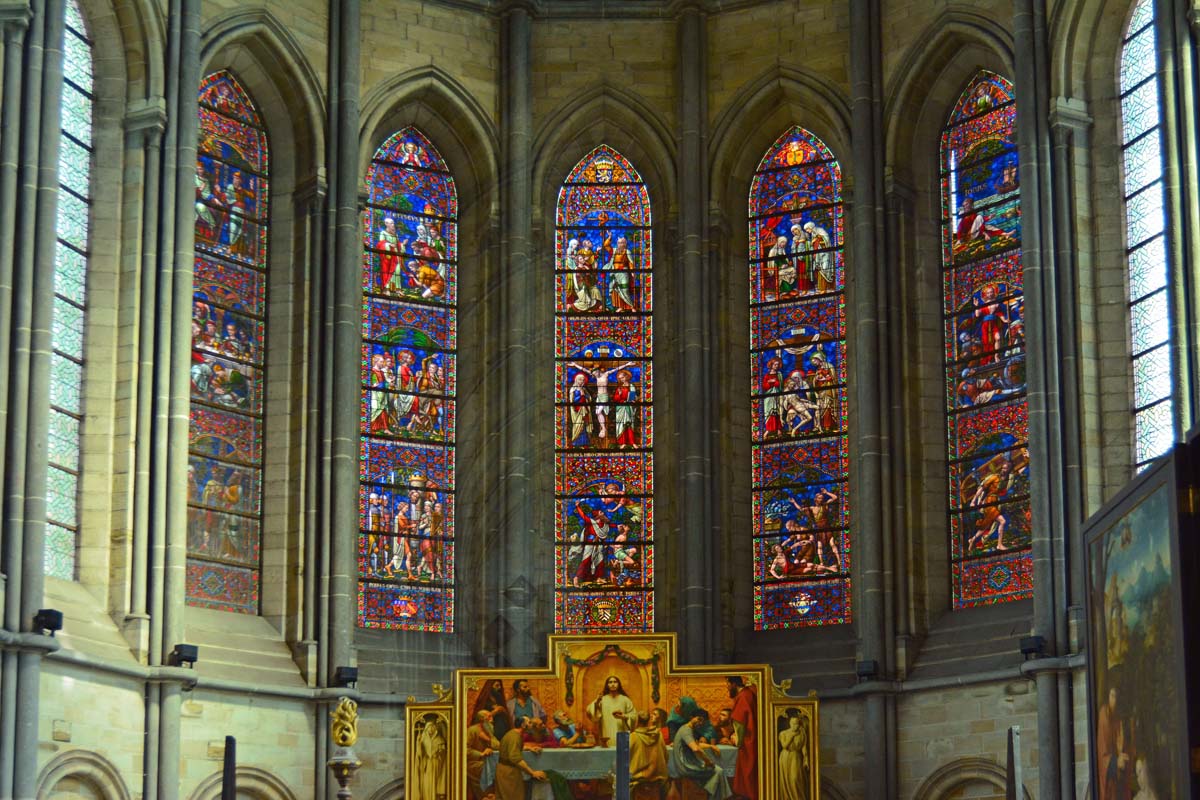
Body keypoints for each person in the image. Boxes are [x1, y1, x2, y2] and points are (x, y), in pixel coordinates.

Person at [669, 713, 732, 800]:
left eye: (702, 721)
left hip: (687, 764)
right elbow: (696, 749)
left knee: (718, 771)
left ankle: (713, 795)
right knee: (719, 771)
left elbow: (697, 745)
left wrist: (711, 746)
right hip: (686, 766)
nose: (700, 722)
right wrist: (708, 761)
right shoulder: (686, 731)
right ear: (691, 717)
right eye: (699, 719)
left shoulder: (687, 729)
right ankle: (716, 797)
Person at [494, 717, 549, 800]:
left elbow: (514, 748)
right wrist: (532, 772)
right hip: (508, 773)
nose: (532, 725)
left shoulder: (514, 734)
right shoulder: (515, 737)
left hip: (508, 771)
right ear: (523, 725)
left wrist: (530, 748)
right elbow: (515, 758)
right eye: (529, 723)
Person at [1097, 685, 1131, 800]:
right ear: (1108, 697)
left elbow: (1120, 745)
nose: (1115, 700)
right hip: (1108, 778)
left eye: (1117, 697)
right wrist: (1116, 762)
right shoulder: (1104, 713)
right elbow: (1103, 754)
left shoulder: (1118, 717)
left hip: (1116, 779)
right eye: (1112, 696)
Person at [727, 675, 758, 799]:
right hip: (752, 737)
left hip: (748, 741)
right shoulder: (749, 693)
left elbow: (739, 721)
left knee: (747, 773)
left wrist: (736, 740)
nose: (727, 688)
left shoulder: (743, 696)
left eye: (728, 684)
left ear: (734, 684)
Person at [587, 675, 637, 746]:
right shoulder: (602, 700)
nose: (613, 684)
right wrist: (597, 703)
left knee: (621, 751)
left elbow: (634, 716)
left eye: (615, 682)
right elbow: (592, 714)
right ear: (607, 685)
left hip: (621, 731)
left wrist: (624, 716)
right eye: (610, 682)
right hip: (606, 731)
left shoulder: (625, 699)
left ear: (618, 684)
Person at [629, 711, 669, 789]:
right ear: (648, 721)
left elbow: (623, 760)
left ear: (637, 721)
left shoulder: (632, 737)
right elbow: (666, 756)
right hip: (658, 779)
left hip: (638, 780)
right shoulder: (658, 735)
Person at [465, 710, 499, 800]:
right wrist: (481, 754)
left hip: (487, 761)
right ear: (482, 719)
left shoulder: (488, 731)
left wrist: (488, 739)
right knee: (487, 769)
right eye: (489, 717)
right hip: (473, 763)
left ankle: (492, 795)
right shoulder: (472, 730)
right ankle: (484, 796)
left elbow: (498, 746)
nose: (492, 720)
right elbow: (464, 750)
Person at [411, 716, 447, 800]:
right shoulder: (423, 739)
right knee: (426, 783)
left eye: (432, 727)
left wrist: (440, 752)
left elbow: (444, 752)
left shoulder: (440, 739)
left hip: (436, 763)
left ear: (435, 728)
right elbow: (419, 754)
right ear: (426, 729)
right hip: (426, 764)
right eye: (429, 727)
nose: (430, 729)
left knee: (435, 782)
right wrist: (418, 743)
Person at [778, 713, 809, 800]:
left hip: (796, 756)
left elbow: (804, 747)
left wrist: (806, 759)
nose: (795, 726)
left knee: (795, 778)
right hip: (785, 756)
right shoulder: (783, 733)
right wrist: (791, 736)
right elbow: (784, 745)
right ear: (790, 723)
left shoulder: (802, 733)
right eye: (793, 723)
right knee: (786, 779)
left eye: (797, 724)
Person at [803, 221, 834, 293]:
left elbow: (826, 239)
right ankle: (821, 288)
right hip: (818, 255)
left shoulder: (820, 230)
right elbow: (814, 244)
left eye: (807, 229)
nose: (807, 231)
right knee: (819, 270)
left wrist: (817, 239)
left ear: (811, 227)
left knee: (824, 269)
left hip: (825, 254)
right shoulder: (813, 233)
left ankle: (825, 288)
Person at [612, 370, 637, 448]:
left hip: (629, 407)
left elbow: (634, 397)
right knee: (621, 425)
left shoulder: (631, 386)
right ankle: (623, 443)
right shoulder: (619, 388)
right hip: (621, 408)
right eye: (620, 378)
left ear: (627, 376)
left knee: (629, 424)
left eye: (622, 377)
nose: (621, 379)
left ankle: (632, 442)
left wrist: (633, 400)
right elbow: (615, 399)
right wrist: (619, 394)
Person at [377, 217, 401, 293]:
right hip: (387, 255)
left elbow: (398, 244)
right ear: (386, 224)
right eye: (391, 223)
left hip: (395, 254)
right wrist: (389, 245)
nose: (393, 224)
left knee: (397, 271)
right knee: (387, 271)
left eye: (393, 223)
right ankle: (386, 288)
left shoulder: (395, 234)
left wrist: (402, 245)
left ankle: (397, 289)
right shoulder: (383, 233)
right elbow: (381, 243)